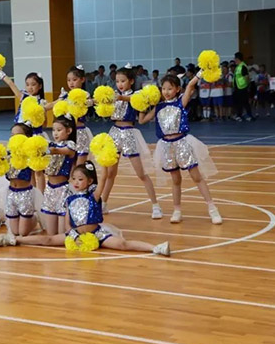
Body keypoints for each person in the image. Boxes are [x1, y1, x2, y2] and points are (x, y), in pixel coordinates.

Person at [0, 162, 171, 256]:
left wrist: (104, 162)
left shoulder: (93, 196)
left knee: (122, 244)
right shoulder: (69, 199)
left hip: (96, 234)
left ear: (89, 182)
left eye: (80, 179)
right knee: (48, 239)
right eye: (74, 179)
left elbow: (102, 181)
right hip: (75, 235)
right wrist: (73, 236)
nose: (76, 182)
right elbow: (67, 224)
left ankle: (155, 248)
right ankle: (16, 240)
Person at [139, 74, 222, 224]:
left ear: (177, 89)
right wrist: (141, 105)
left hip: (182, 143)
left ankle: (212, 209)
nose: (166, 91)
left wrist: (199, 74)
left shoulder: (180, 103)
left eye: (170, 88)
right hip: (166, 146)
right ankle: (177, 210)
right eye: (163, 88)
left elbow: (190, 86)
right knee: (175, 180)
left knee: (196, 176)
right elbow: (142, 120)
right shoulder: (158, 106)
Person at [100, 64, 162, 219]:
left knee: (141, 173)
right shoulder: (114, 95)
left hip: (129, 133)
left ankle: (155, 206)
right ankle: (103, 204)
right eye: (117, 81)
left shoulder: (137, 96)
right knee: (109, 173)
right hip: (114, 132)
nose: (120, 84)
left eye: (123, 81)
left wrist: (155, 109)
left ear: (131, 81)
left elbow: (140, 117)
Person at [0, 69, 52, 192]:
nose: (30, 87)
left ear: (40, 86)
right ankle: (32, 194)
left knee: (38, 170)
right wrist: (0, 72)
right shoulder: (23, 97)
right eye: (27, 84)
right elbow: (12, 85)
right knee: (28, 169)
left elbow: (45, 123)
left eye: (33, 84)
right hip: (21, 138)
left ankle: (41, 196)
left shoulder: (41, 102)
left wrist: (39, 114)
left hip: (35, 137)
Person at [40, 115, 77, 235]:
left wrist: (44, 150)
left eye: (59, 130)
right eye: (53, 130)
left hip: (63, 190)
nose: (55, 133)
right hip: (49, 190)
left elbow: (59, 151)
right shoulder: (51, 144)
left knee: (62, 235)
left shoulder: (70, 145)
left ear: (69, 131)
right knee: (51, 234)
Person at [6, 123, 38, 236]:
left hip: (25, 194)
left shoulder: (30, 155)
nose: (14, 138)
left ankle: (35, 218)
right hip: (11, 193)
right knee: (14, 232)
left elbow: (34, 176)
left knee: (22, 233)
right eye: (12, 135)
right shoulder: (7, 154)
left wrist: (35, 198)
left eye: (18, 135)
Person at [60, 65, 94, 166]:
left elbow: (91, 102)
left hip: (81, 132)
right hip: (68, 133)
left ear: (82, 79)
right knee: (70, 165)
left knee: (80, 165)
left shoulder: (85, 95)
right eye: (68, 80)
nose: (71, 83)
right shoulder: (65, 96)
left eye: (74, 79)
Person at [233, 52, 254, 121]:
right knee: (238, 102)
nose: (234, 60)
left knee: (245, 102)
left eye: (235, 58)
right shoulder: (238, 67)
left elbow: (246, 77)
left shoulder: (243, 66)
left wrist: (247, 86)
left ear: (237, 58)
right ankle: (239, 115)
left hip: (242, 87)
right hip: (237, 87)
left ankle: (249, 115)